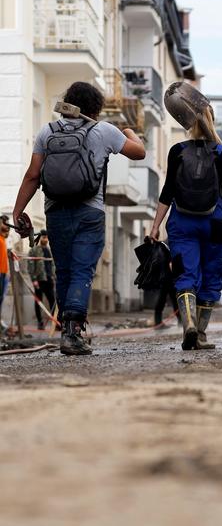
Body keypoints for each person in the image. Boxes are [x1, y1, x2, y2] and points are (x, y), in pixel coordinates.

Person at [13, 82, 145, 355]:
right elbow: (138, 152)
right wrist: (129, 131)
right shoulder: (103, 130)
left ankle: (66, 331)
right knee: (82, 269)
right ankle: (73, 333)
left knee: (64, 271)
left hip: (56, 211)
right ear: (95, 108)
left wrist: (17, 211)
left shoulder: (47, 132)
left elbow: (32, 176)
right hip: (90, 212)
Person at [149, 112, 222, 350]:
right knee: (211, 276)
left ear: (189, 126)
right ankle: (199, 333)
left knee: (185, 274)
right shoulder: (221, 152)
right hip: (215, 223)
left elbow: (167, 191)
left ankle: (187, 323)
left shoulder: (176, 150)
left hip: (181, 222)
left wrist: (155, 225)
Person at [27, 229, 56, 330]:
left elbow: (52, 264)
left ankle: (55, 322)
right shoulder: (34, 250)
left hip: (49, 279)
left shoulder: (49, 250)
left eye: (47, 237)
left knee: (53, 301)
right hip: (39, 280)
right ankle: (40, 322)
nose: (46, 239)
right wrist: (34, 279)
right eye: (44, 237)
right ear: (40, 238)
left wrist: (53, 276)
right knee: (38, 302)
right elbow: (30, 265)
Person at [0, 216, 10, 331]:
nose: (7, 226)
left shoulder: (3, 239)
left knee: (1, 299)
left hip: (3, 273)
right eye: (4, 223)